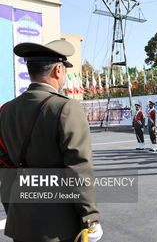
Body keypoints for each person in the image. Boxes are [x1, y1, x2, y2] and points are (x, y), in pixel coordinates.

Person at [0, 40, 102, 242]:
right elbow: (79, 169)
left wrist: (15, 211)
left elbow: (5, 167)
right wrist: (90, 219)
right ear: (58, 70)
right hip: (58, 227)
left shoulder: (6, 110)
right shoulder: (66, 108)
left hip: (21, 223)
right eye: (64, 70)